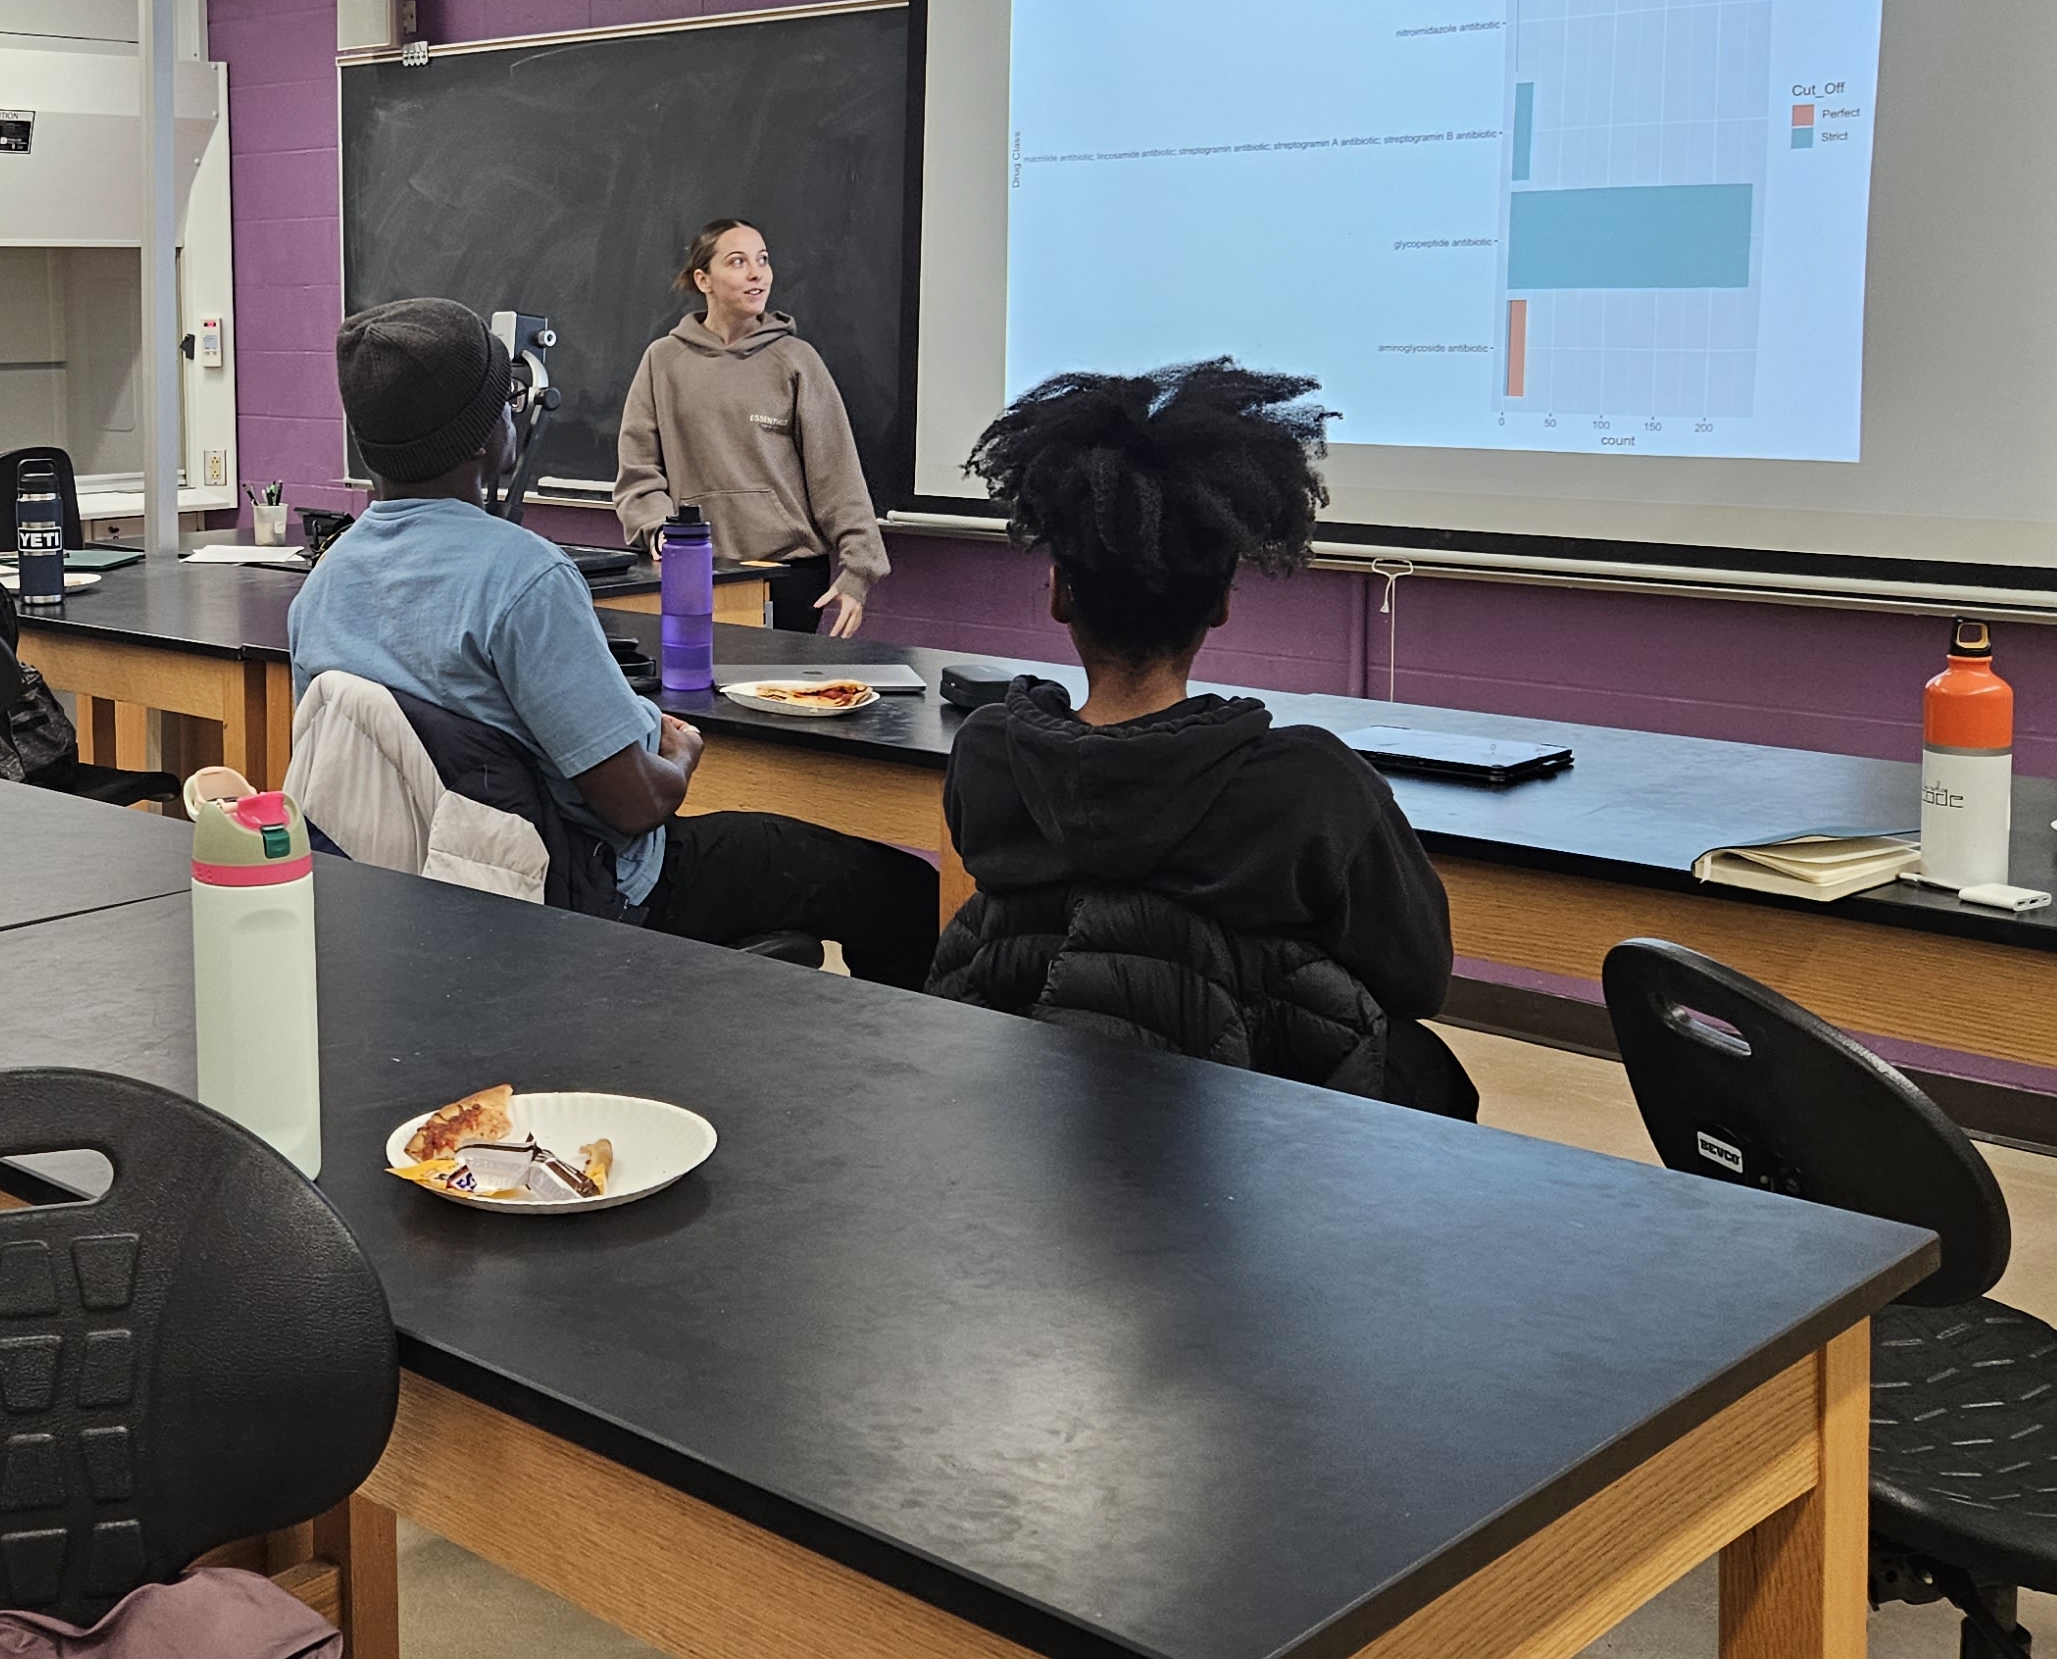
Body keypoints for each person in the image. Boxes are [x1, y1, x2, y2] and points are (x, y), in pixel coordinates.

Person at [293, 297, 939, 984]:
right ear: (488, 434)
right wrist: (682, 753)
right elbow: (638, 805)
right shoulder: (524, 578)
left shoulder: (323, 588)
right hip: (587, 895)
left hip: (426, 901)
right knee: (899, 891)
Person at [925, 361, 1476, 1116]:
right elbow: (1420, 980)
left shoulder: (991, 755)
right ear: (1220, 602)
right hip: (1255, 1142)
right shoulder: (1312, 786)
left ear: (1058, 593)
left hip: (1029, 1113)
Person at [611, 217, 889, 639]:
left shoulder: (796, 360)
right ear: (704, 279)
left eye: (762, 260)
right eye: (738, 261)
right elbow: (638, 470)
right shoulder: (663, 360)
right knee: (694, 696)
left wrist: (859, 571)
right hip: (695, 568)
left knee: (776, 698)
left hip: (788, 573)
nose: (756, 273)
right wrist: (659, 529)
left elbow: (837, 474)